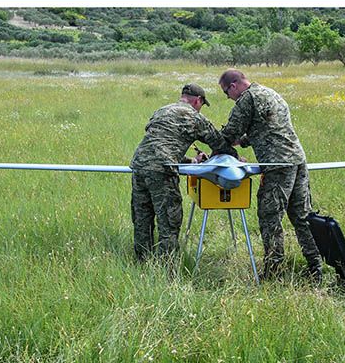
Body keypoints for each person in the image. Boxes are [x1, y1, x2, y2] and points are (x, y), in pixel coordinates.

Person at [217, 69, 323, 282]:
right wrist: (244, 141)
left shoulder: (247, 99)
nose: (228, 98)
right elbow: (266, 126)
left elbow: (229, 133)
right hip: (297, 159)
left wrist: (215, 149)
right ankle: (316, 267)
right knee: (302, 216)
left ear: (234, 85)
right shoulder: (269, 92)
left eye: (226, 93)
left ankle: (273, 271)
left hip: (277, 164)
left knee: (269, 216)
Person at [130, 83, 234, 262]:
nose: (200, 109)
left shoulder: (161, 111)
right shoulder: (195, 117)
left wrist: (191, 161)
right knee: (169, 223)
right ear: (198, 100)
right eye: (201, 105)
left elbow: (160, 144)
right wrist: (235, 157)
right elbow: (219, 143)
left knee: (142, 219)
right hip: (162, 172)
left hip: (139, 167)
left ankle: (142, 264)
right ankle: (167, 271)